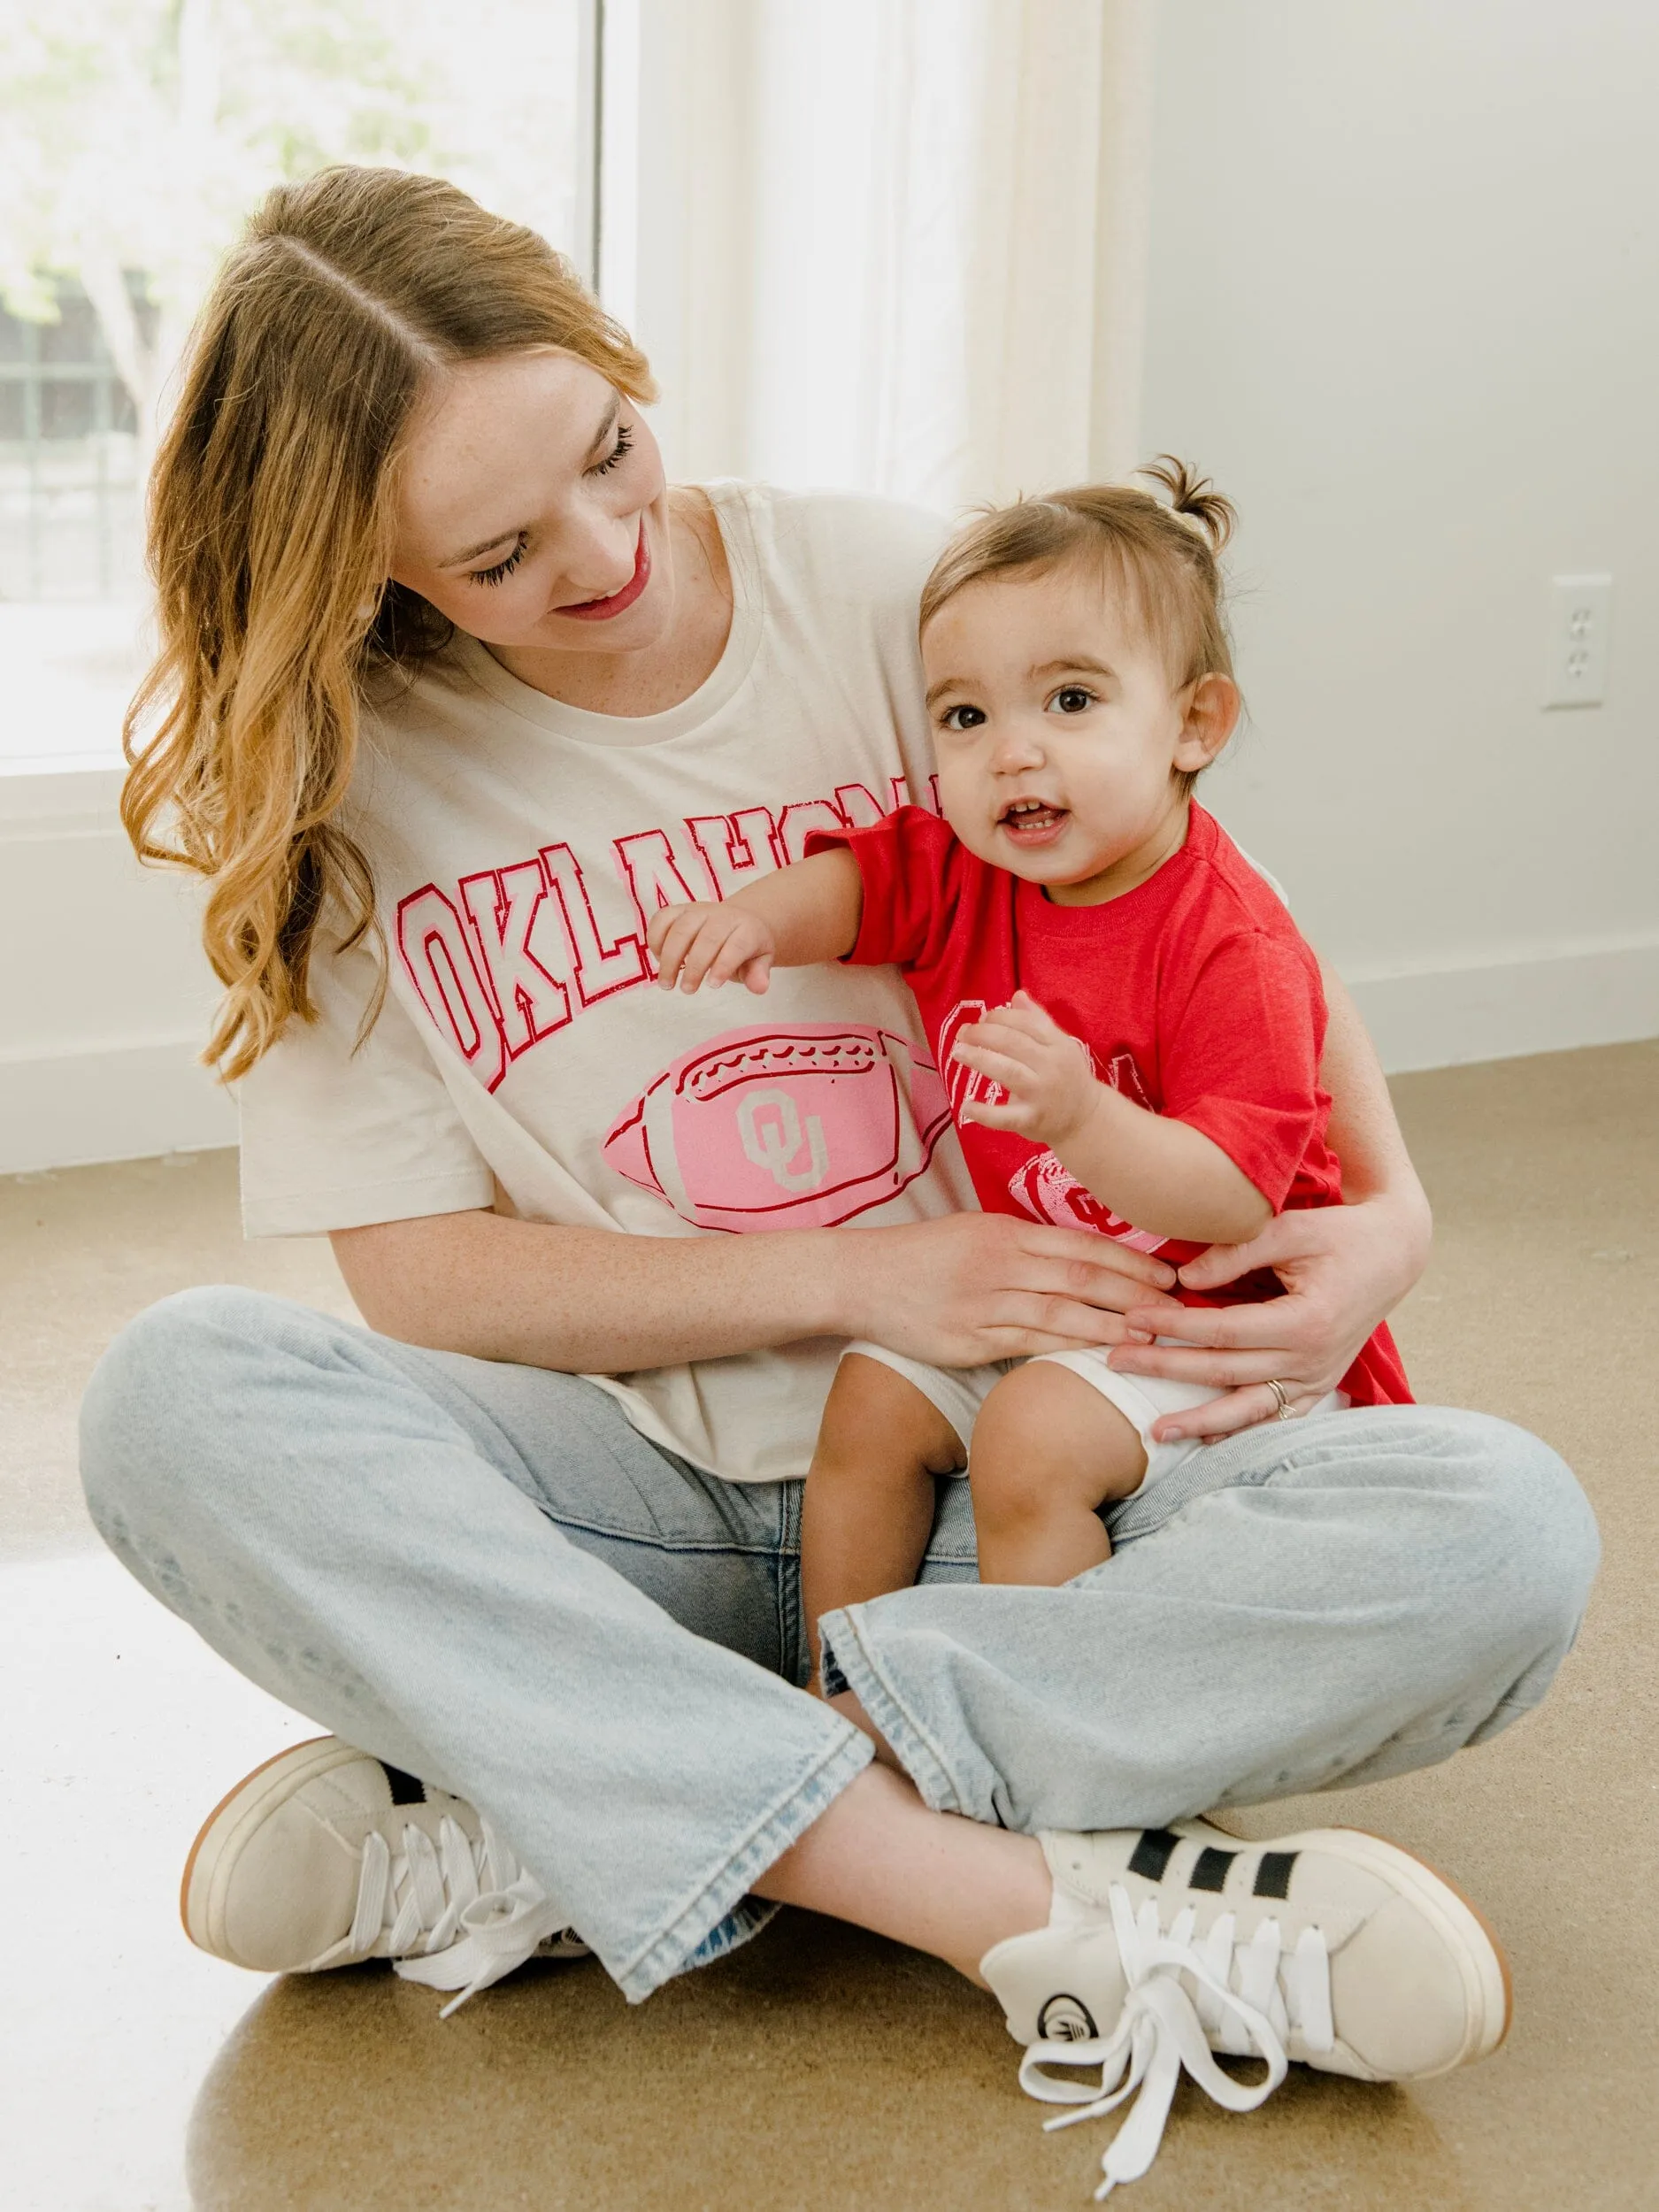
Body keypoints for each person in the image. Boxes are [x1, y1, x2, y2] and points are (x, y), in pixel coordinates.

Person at [81, 166, 1597, 2196]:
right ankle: (1006, 1899)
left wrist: (1393, 1214)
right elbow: (427, 1279)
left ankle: (584, 1794)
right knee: (173, 1397)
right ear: (374, 572)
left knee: (1499, 1529)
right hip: (650, 1508)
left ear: (623, 364)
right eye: (506, 552)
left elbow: (1231, 933)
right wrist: (871, 1278)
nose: (608, 551)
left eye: (613, 455)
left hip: (1027, 1521)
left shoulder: (897, 594)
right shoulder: (348, 782)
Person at [647, 465, 1414, 1652]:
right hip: (1054, 1299)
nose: (1011, 753)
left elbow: (1230, 1195)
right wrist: (758, 916)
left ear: (1192, 727)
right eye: (966, 716)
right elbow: (860, 885)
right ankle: (848, 1703)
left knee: (1030, 1443)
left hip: (1211, 1325)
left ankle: (1049, 1723)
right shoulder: (969, 876)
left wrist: (1080, 1120)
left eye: (1067, 701)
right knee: (868, 1406)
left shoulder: (1227, 942)